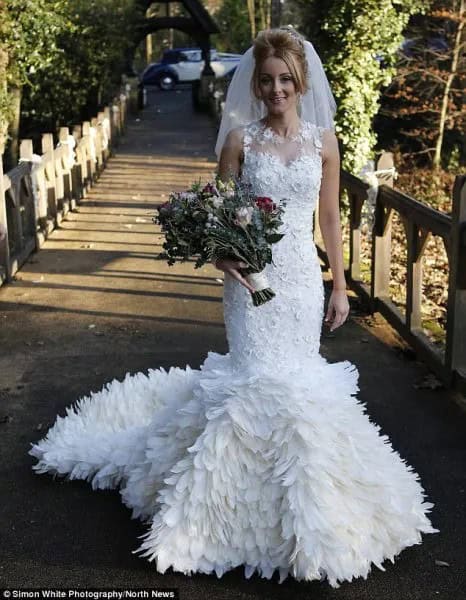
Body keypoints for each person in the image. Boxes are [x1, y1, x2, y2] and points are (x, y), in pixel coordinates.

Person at [29, 28, 438, 588]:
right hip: (250, 284)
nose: (276, 90)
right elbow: (217, 222)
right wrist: (228, 261)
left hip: (300, 282)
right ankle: (220, 516)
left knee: (297, 384)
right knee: (253, 383)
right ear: (256, 82)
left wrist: (340, 285)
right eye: (267, 80)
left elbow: (330, 221)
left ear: (302, 82)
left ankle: (306, 515)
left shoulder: (324, 141)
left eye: (285, 81)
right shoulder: (239, 141)